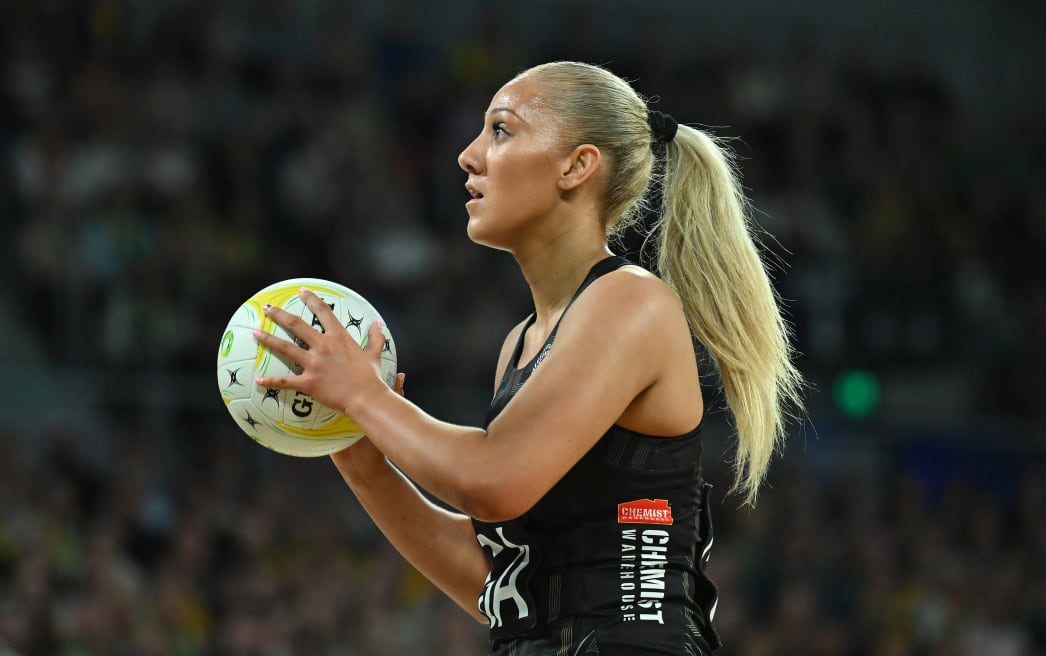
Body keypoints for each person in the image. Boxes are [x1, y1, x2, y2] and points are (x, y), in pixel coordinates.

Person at [253, 61, 803, 655]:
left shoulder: (630, 301)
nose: (468, 155)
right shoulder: (522, 343)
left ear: (577, 166)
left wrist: (365, 395)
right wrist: (365, 460)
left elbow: (493, 480)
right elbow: (503, 589)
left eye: (500, 131)